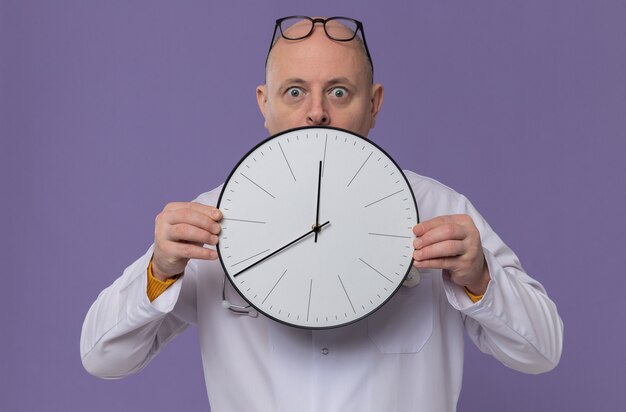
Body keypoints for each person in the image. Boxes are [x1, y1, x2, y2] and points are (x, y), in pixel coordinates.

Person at [81, 16, 563, 412]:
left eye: (338, 92)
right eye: (294, 92)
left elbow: (542, 352)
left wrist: (479, 277)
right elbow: (103, 358)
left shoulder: (441, 211)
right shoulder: (209, 220)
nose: (316, 112)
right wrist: (158, 272)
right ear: (264, 105)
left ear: (372, 105)